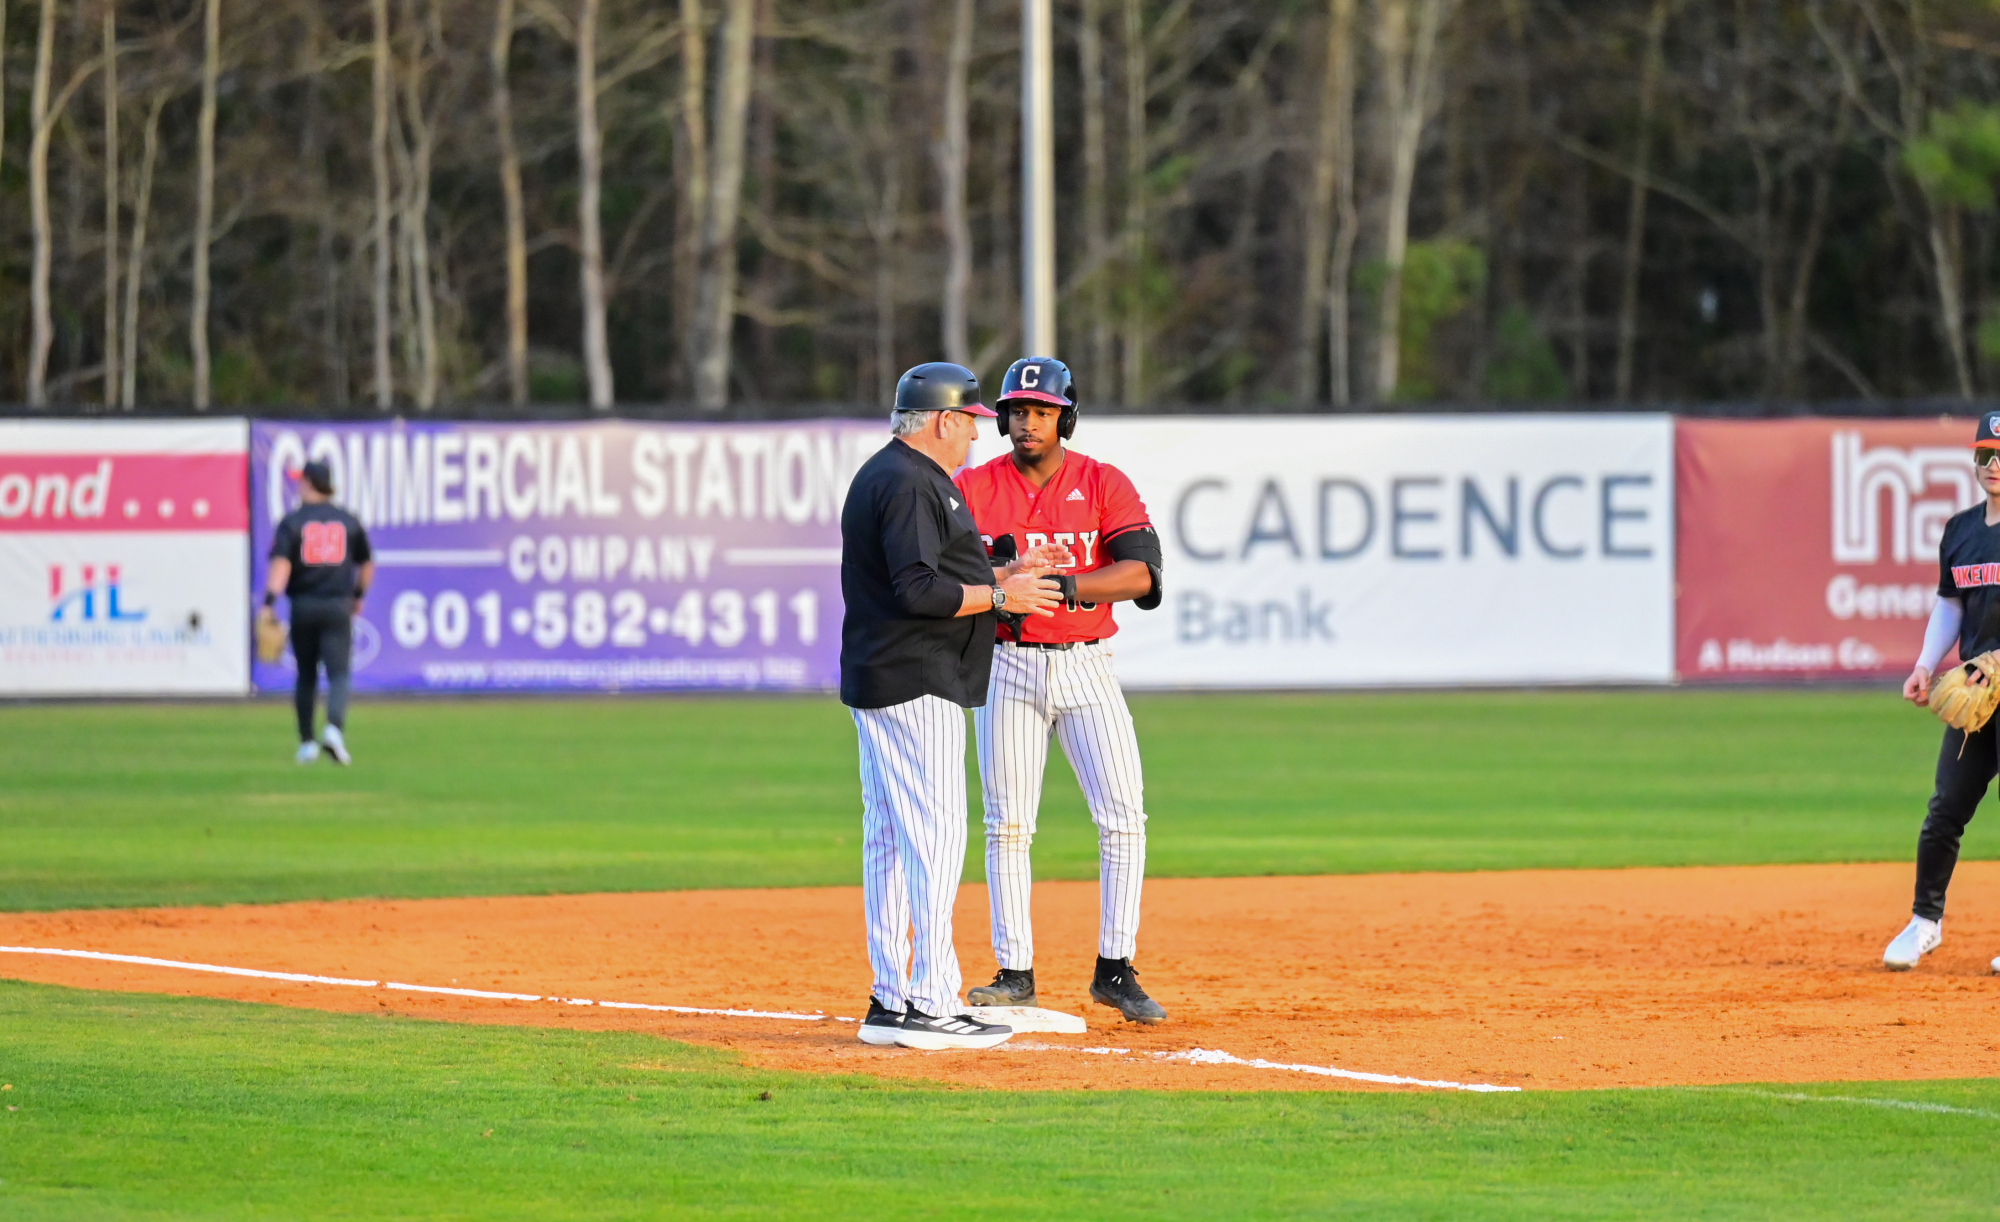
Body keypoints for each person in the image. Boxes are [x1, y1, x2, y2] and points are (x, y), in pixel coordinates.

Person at [840, 362, 1069, 1049]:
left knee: (889, 840)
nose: (975, 435)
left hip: (886, 676)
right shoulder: (911, 481)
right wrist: (1002, 597)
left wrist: (1004, 574)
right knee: (934, 841)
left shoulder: (888, 473)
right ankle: (933, 1003)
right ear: (942, 420)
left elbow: (931, 576)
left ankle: (890, 999)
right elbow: (918, 592)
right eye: (968, 423)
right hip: (918, 679)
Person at [954, 357, 1170, 1023]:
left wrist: (1065, 585)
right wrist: (1005, 575)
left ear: (1064, 415)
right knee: (1008, 823)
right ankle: (1014, 970)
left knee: (1122, 817)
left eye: (1040, 410)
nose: (1026, 422)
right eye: (1017, 410)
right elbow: (946, 567)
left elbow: (1142, 573)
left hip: (1086, 664)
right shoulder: (973, 484)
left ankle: (1115, 968)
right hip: (1008, 664)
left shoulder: (1102, 481)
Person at [1894, 413, 2000, 974]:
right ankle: (1924, 922)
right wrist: (1924, 664)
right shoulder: (1961, 530)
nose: (1995, 465)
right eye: (1986, 455)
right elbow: (1952, 604)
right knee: (1945, 810)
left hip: (1995, 676)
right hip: (1976, 698)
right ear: (1974, 461)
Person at [263, 460, 373, 766]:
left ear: (309, 483)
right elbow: (366, 564)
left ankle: (307, 743)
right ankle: (334, 730)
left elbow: (281, 565)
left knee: (306, 675)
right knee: (339, 673)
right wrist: (358, 595)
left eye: (301, 480)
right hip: (338, 604)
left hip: (304, 605)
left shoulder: (293, 521)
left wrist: (269, 602)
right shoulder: (348, 521)